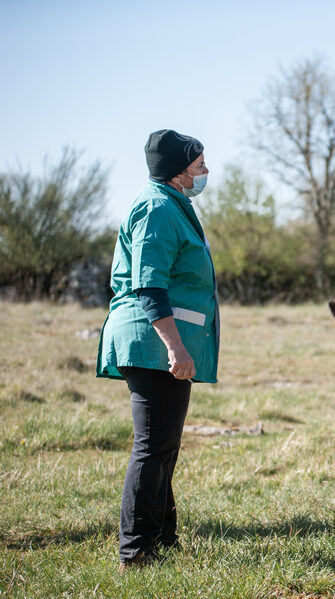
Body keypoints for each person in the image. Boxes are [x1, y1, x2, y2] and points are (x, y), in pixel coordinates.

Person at [96, 129, 219, 571]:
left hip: (161, 343)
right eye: (199, 164)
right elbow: (149, 285)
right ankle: (137, 552)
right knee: (152, 446)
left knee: (164, 444)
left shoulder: (172, 205)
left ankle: (164, 539)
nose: (205, 171)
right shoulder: (156, 208)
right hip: (153, 343)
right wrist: (175, 348)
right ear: (177, 171)